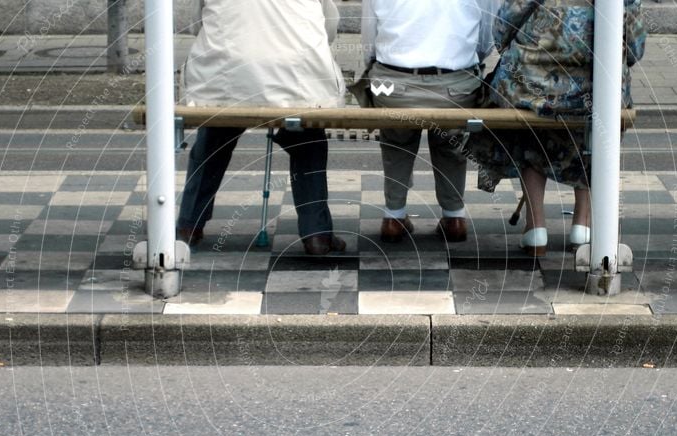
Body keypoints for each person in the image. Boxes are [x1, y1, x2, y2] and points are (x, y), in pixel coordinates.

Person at [472, 0, 646, 256]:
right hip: (595, 92)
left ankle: (536, 227)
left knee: (528, 133)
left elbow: (502, 30)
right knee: (595, 130)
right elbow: (635, 48)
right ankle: (582, 224)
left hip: (532, 88)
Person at [177, 0, 347, 256]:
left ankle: (189, 226)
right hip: (296, 80)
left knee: (213, 137)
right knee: (308, 142)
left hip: (228, 76)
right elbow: (329, 27)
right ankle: (317, 234)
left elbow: (197, 24)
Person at [359, 0, 499, 243]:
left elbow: (369, 42)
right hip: (456, 86)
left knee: (396, 140)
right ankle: (454, 217)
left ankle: (393, 216)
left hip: (393, 86)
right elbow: (487, 39)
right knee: (451, 142)